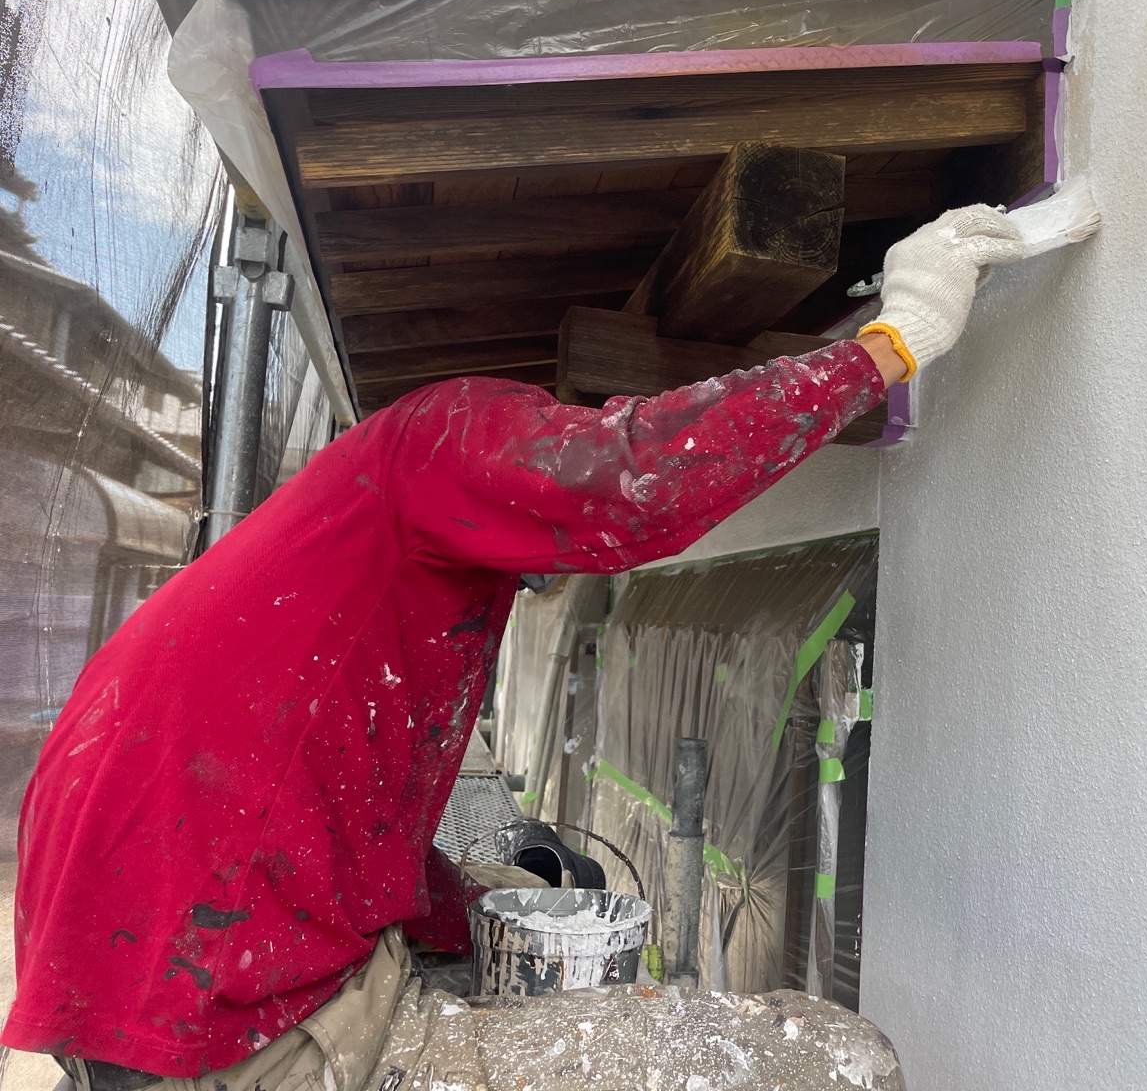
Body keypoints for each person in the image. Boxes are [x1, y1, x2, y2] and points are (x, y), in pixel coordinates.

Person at [3, 206, 1026, 1090]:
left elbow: (325, 828)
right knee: (835, 1059)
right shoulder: (434, 438)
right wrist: (889, 344)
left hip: (141, 1002)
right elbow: (630, 479)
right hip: (222, 1032)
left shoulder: (341, 576)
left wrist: (470, 905)